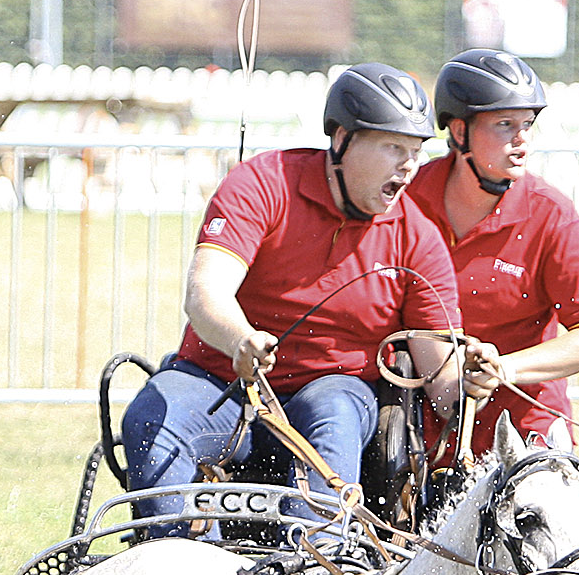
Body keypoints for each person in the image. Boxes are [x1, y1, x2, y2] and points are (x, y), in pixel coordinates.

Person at [120, 63, 466, 532]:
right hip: (220, 382)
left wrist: (471, 380)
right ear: (341, 140)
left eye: (415, 151)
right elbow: (205, 293)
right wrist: (241, 340)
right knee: (151, 418)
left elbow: (444, 385)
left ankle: (316, 565)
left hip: (335, 391)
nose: (408, 167)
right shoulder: (263, 183)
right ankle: (185, 560)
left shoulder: (418, 237)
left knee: (334, 413)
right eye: (393, 147)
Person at [407, 48, 579, 462]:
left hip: (526, 427)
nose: (522, 139)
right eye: (505, 125)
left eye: (527, 124)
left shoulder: (552, 215)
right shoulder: (408, 200)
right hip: (419, 425)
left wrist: (504, 368)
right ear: (459, 131)